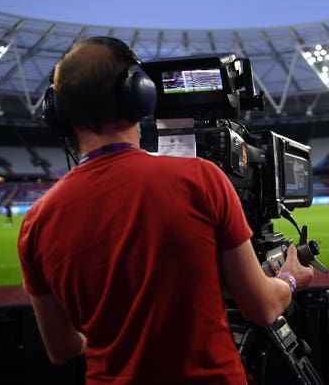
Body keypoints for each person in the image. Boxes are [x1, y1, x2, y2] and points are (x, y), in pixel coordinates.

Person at [17, 36, 314, 385]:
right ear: (139, 94)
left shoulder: (36, 222)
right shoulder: (202, 180)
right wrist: (291, 277)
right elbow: (261, 308)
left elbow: (62, 349)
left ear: (59, 114)